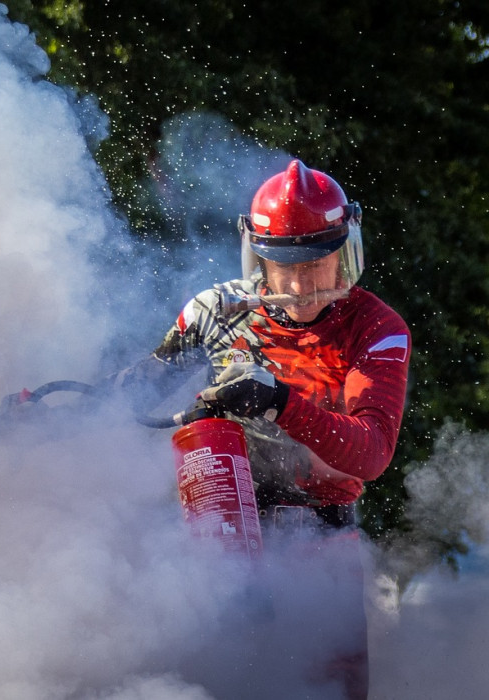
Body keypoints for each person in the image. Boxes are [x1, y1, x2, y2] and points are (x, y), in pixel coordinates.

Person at [112, 158, 411, 699]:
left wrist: (279, 402)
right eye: (283, 266)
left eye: (318, 263)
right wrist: (52, 405)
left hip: (321, 545)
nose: (300, 284)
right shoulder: (214, 312)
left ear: (346, 253)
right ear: (258, 259)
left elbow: (371, 452)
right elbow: (132, 397)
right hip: (215, 535)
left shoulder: (375, 327)